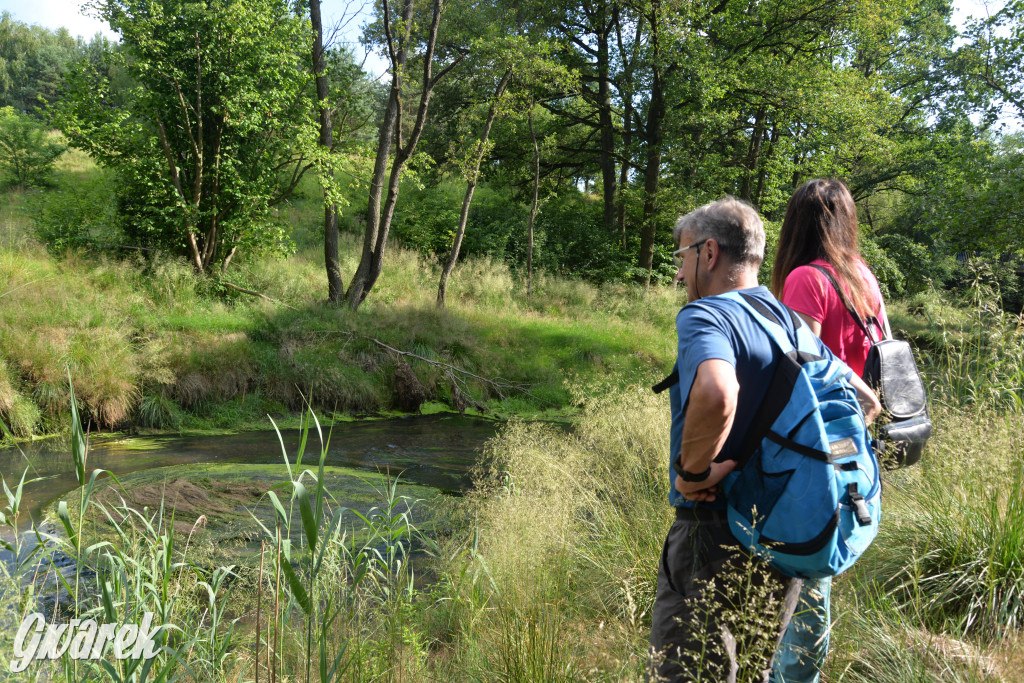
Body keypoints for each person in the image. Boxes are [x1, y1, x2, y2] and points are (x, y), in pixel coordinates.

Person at [648, 196, 880, 683]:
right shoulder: (787, 318)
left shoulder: (707, 316)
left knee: (687, 672)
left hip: (710, 530)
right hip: (775, 533)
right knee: (754, 671)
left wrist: (693, 473)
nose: (677, 274)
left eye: (681, 256)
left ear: (708, 253)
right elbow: (865, 399)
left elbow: (716, 391)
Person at [769, 178, 888, 683]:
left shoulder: (805, 279)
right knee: (822, 564)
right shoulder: (862, 275)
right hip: (855, 442)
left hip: (819, 446)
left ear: (796, 224)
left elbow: (805, 373)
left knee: (810, 571)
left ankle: (793, 676)